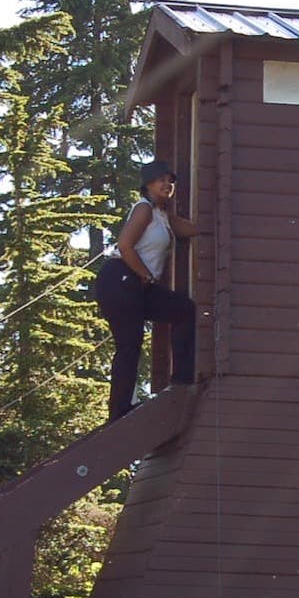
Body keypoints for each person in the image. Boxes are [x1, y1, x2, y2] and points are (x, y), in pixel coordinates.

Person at [95, 159, 198, 420]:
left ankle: (182, 379)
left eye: (170, 181)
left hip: (135, 284)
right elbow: (125, 245)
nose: (167, 185)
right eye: (161, 180)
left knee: (184, 310)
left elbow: (193, 229)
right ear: (148, 185)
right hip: (120, 279)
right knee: (129, 344)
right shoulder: (144, 210)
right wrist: (145, 275)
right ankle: (119, 412)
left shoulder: (162, 216)